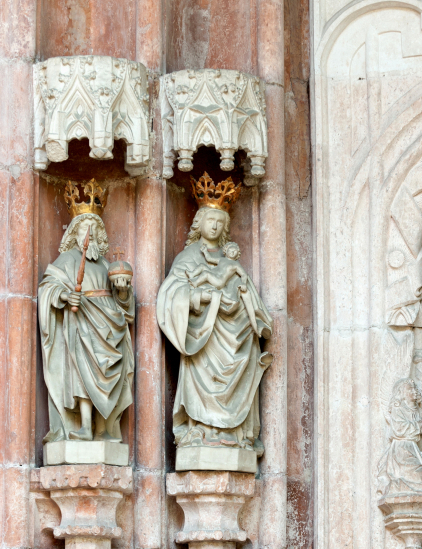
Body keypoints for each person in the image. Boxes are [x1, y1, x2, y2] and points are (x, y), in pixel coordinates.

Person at [156, 174, 272, 452]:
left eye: (221, 222)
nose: (216, 225)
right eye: (211, 220)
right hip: (203, 335)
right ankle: (201, 431)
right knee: (201, 373)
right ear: (199, 222)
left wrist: (249, 312)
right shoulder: (188, 257)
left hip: (233, 329)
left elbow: (247, 291)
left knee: (247, 349)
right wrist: (198, 297)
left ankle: (234, 433)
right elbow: (170, 294)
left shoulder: (231, 260)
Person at [38, 179, 134, 443]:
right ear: (74, 234)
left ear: (100, 236)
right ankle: (84, 426)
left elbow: (124, 304)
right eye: (83, 230)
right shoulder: (68, 260)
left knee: (109, 376)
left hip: (108, 327)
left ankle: (104, 429)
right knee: (81, 375)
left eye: (93, 229)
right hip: (81, 324)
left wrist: (123, 293)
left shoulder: (106, 264)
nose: (88, 235)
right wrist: (64, 295)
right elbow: (48, 287)